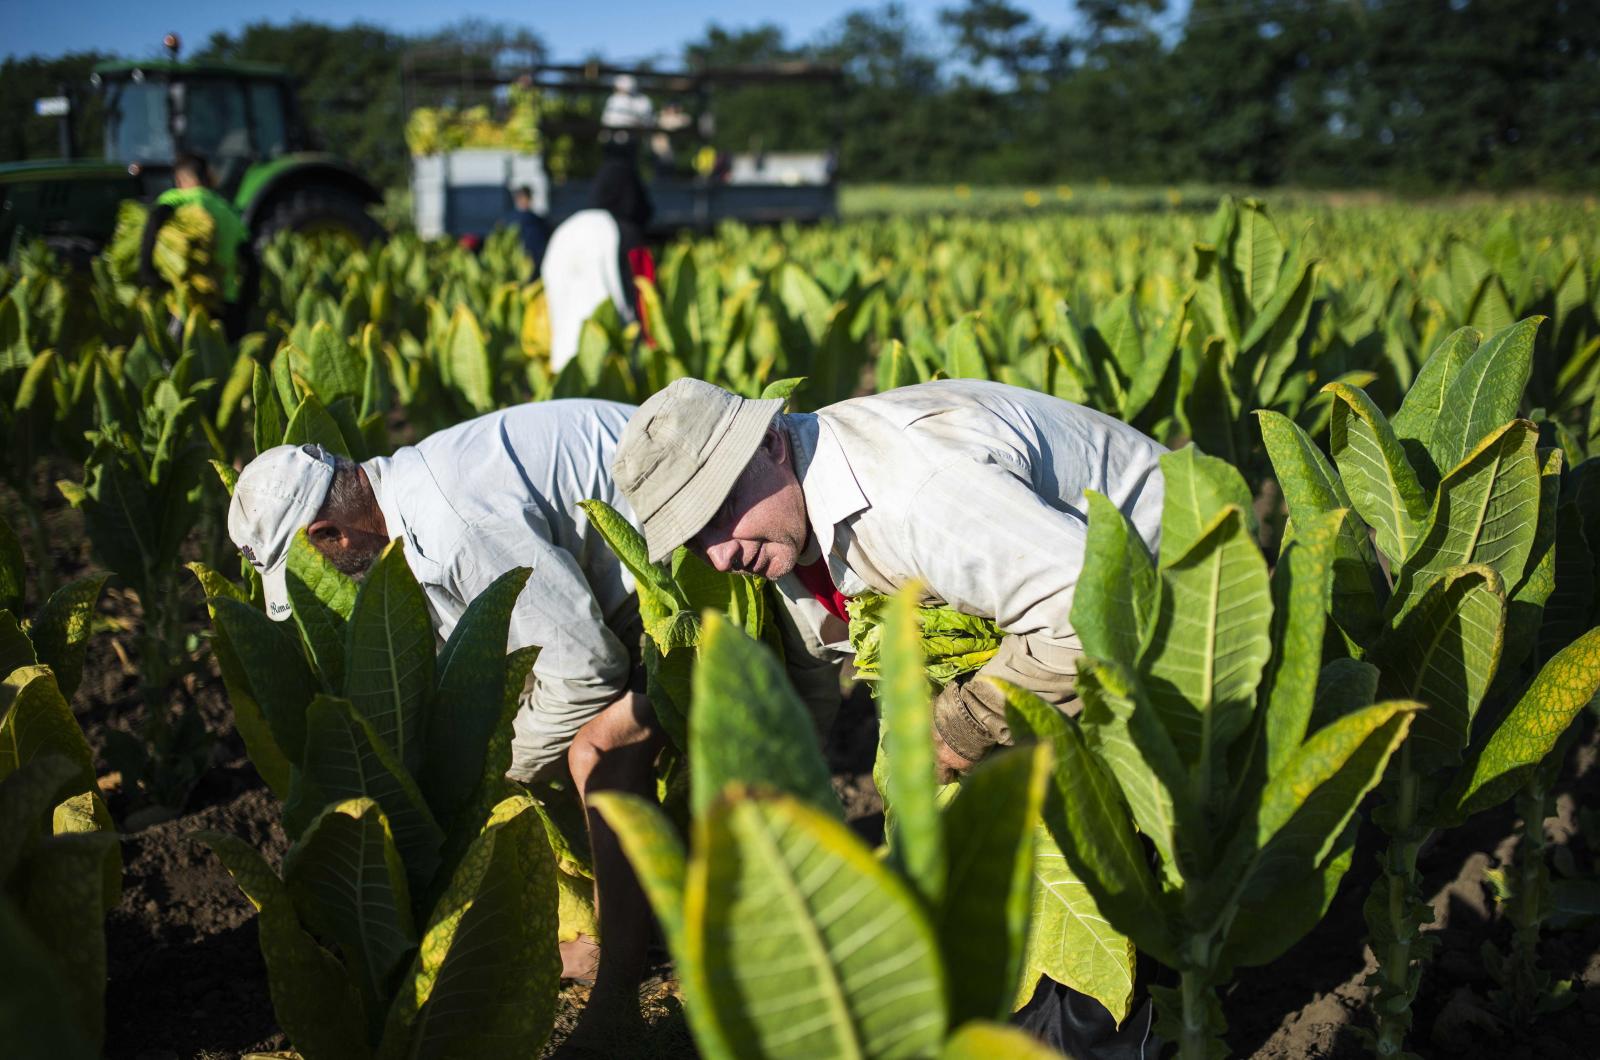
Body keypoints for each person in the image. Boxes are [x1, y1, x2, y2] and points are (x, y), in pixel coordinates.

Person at [226, 399, 839, 1054]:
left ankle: (617, 1000)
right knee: (559, 741)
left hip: (711, 565)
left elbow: (588, 670)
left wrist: (498, 767)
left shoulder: (455, 520)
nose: (330, 576)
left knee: (597, 756)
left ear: (328, 534)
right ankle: (644, 915)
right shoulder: (405, 498)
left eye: (315, 563)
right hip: (636, 585)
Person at [610, 376, 1168, 1057]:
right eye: (697, 539)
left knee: (1078, 928)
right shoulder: (786, 523)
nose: (722, 553)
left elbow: (1094, 609)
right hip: (1043, 638)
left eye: (723, 510)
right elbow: (815, 674)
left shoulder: (917, 492)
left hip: (1164, 622)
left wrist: (962, 726)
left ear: (773, 446)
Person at [540, 145, 656, 373]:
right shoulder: (625, 233)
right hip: (614, 367)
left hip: (564, 364)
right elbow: (647, 297)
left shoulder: (564, 230)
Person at [138, 152, 255, 339]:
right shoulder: (228, 211)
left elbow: (155, 218)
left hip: (188, 302)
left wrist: (147, 271)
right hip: (225, 302)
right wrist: (244, 305)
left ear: (180, 178)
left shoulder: (179, 198)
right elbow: (251, 260)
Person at [508, 185, 550, 277]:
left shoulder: (538, 220)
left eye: (526, 198)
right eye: (522, 198)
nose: (525, 201)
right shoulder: (511, 220)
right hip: (520, 264)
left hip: (536, 262)